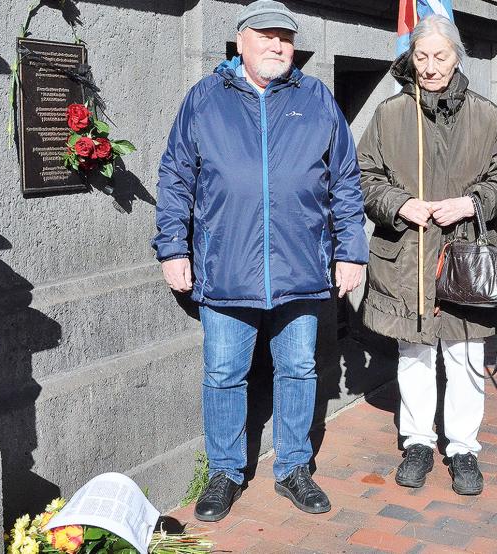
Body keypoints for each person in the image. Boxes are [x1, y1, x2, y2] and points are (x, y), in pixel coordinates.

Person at [153, 0, 368, 522]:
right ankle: (225, 471)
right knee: (224, 373)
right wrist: (173, 247)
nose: (278, 46)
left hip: (301, 269)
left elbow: (344, 180)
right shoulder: (205, 99)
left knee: (298, 368)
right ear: (241, 40)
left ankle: (294, 467)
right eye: (267, 36)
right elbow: (176, 177)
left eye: (286, 38)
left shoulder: (316, 98)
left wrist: (351, 252)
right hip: (226, 268)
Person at [357, 15, 497, 496]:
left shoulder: (487, 115)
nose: (430, 67)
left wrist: (471, 203)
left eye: (441, 56)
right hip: (406, 257)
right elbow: (364, 179)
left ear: (457, 56)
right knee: (414, 355)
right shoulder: (389, 115)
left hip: (466, 257)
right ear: (411, 57)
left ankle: (464, 449)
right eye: (422, 56)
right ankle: (418, 442)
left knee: (466, 356)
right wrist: (400, 204)